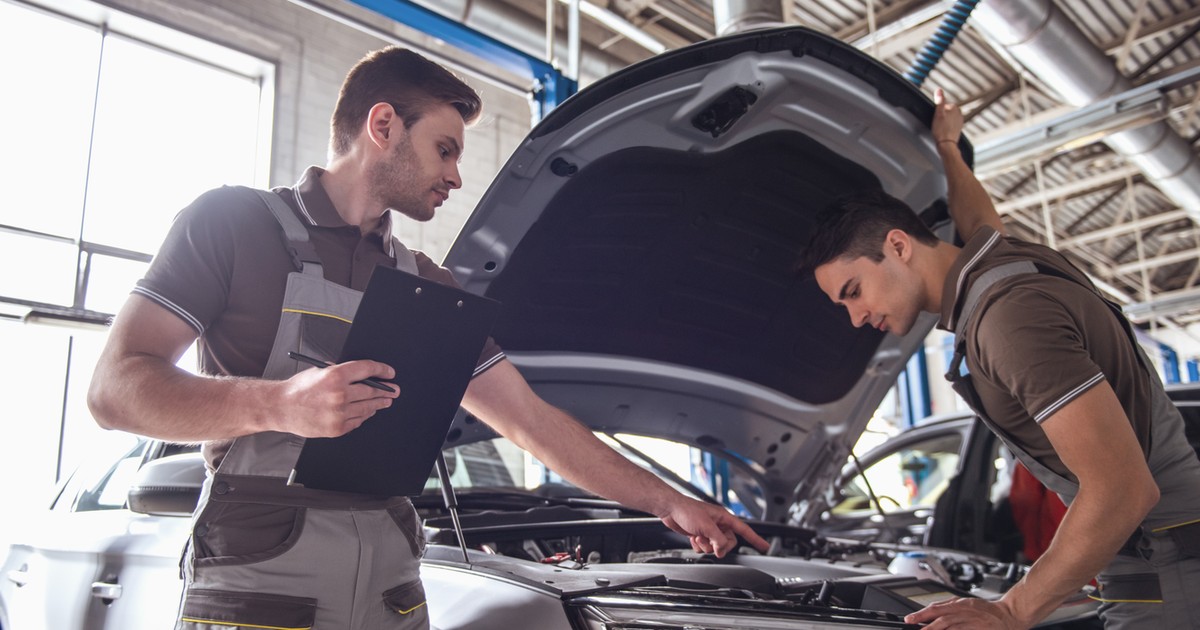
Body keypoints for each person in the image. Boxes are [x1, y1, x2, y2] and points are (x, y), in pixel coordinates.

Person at [87, 46, 768, 630]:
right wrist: (278, 406)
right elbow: (115, 390)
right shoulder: (231, 224)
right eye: (444, 149)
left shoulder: (429, 284)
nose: (455, 175)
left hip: (392, 591)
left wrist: (668, 501)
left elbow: (530, 419)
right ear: (382, 124)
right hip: (263, 585)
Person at [800, 88, 1200, 629]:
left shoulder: (1008, 319)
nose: (855, 317)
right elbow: (977, 215)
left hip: (1166, 564)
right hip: (1160, 553)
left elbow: (1123, 488)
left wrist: (1010, 610)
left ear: (897, 246)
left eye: (853, 290)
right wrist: (947, 147)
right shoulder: (1001, 268)